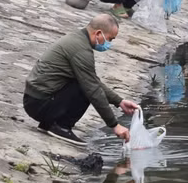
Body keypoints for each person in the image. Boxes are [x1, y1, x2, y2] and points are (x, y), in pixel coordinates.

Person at [23, 14, 139, 147]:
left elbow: (93, 81)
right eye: (110, 39)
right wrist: (114, 125)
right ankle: (61, 126)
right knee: (86, 88)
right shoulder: (81, 50)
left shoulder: (78, 38)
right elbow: (93, 89)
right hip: (38, 103)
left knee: (86, 82)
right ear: (99, 33)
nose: (109, 44)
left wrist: (119, 102)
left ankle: (49, 124)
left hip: (36, 100)